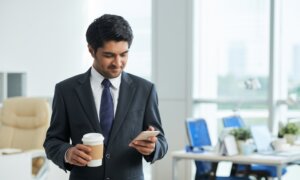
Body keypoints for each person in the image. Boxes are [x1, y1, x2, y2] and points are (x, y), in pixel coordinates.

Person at [43, 14, 168, 180]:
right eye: (109, 55)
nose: (118, 63)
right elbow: (53, 141)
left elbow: (161, 141)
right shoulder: (66, 90)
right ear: (91, 50)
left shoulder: (145, 89)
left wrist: (154, 147)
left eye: (123, 54)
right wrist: (67, 153)